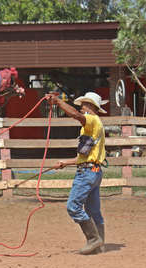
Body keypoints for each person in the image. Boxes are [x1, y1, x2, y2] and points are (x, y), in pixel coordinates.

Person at [46, 91, 108, 255]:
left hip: (87, 173)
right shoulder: (96, 125)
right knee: (93, 211)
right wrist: (65, 163)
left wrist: (58, 102)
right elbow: (86, 156)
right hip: (94, 171)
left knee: (73, 207)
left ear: (90, 107)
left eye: (83, 105)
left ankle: (93, 239)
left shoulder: (91, 120)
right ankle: (99, 243)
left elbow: (76, 115)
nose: (80, 109)